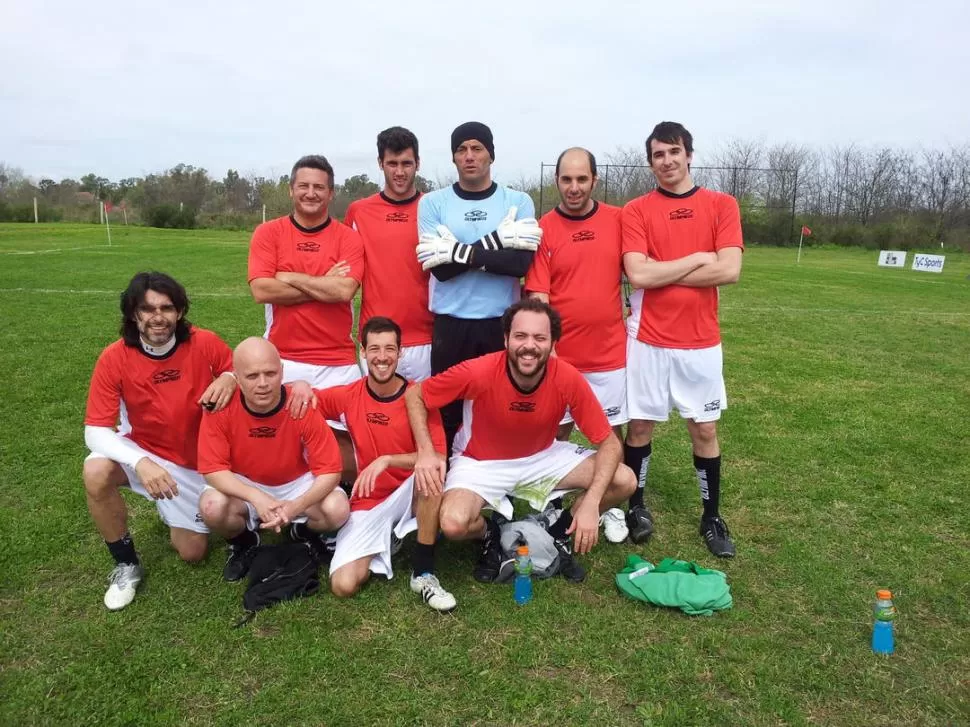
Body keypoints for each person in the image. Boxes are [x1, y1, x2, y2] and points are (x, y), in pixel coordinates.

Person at [405, 298, 637, 584]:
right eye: (520, 336)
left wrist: (591, 502)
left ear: (553, 343)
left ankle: (557, 535)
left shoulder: (566, 377)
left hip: (541, 457)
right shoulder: (480, 371)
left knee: (624, 480)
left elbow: (610, 443)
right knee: (453, 524)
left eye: (540, 337)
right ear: (506, 339)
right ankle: (491, 532)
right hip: (481, 462)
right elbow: (415, 395)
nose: (529, 346)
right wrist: (426, 451)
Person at [621, 121, 743, 557]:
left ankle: (711, 517)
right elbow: (638, 273)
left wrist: (664, 269)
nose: (667, 161)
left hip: (701, 340)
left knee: (705, 428)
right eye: (658, 154)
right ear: (650, 160)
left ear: (689, 154)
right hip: (648, 337)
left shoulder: (721, 205)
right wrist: (695, 258)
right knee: (639, 426)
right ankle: (635, 505)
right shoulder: (636, 210)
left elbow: (728, 270)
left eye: (674, 151)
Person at [83, 271, 236, 610]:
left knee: (193, 552)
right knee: (96, 472)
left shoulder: (204, 341)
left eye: (166, 308)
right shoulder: (114, 357)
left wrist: (229, 376)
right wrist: (141, 462)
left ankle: (172, 510)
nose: (158, 317)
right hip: (146, 453)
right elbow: (94, 429)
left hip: (196, 462)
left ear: (179, 312)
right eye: (147, 309)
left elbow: (237, 366)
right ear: (133, 314)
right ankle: (126, 564)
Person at [308, 316, 455, 612]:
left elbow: (438, 458)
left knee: (431, 473)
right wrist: (298, 387)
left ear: (401, 353)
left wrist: (386, 460)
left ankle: (423, 572)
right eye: (374, 349)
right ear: (363, 352)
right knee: (343, 584)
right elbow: (304, 400)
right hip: (370, 499)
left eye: (390, 349)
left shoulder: (420, 397)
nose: (382, 357)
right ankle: (389, 535)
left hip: (412, 490)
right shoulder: (350, 394)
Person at [415, 121, 542, 453]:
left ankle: (499, 485)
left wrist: (457, 250)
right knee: (447, 409)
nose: (469, 156)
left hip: (499, 323)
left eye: (477, 148)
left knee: (501, 407)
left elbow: (518, 265)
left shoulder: (517, 201)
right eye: (461, 150)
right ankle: (445, 484)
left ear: (491, 155)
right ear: (454, 158)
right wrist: (497, 243)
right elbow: (440, 271)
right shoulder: (433, 203)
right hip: (450, 324)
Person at [247, 154, 364, 481]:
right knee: (283, 446)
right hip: (284, 358)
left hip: (337, 363)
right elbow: (262, 290)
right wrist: (322, 282)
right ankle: (296, 512)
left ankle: (336, 512)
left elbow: (343, 292)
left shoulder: (347, 238)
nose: (311, 193)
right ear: (291, 190)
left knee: (350, 452)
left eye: (319, 187)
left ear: (331, 193)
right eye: (304, 186)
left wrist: (288, 276)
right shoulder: (269, 233)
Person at [197, 337, 349, 582]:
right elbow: (212, 470)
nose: (263, 384)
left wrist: (296, 506)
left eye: (270, 373)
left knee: (337, 510)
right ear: (236, 376)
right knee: (211, 507)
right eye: (252, 376)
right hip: (247, 483)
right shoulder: (221, 405)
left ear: (282, 371)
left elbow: (331, 471)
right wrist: (257, 498)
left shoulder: (300, 402)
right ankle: (244, 542)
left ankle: (303, 531)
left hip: (294, 482)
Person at [525, 147, 627, 441]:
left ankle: (613, 488)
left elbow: (643, 268)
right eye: (566, 179)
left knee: (610, 436)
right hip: (563, 357)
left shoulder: (617, 220)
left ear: (594, 180)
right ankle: (552, 487)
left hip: (609, 355)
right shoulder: (544, 228)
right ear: (556, 180)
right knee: (554, 436)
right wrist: (551, 353)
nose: (573, 188)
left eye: (581, 179)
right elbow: (538, 297)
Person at [344, 127, 433, 381]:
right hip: (376, 340)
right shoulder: (358, 212)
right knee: (377, 417)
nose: (400, 171)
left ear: (417, 163)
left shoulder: (435, 207)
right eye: (392, 163)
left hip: (426, 339)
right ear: (380, 163)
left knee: (422, 416)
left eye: (406, 163)